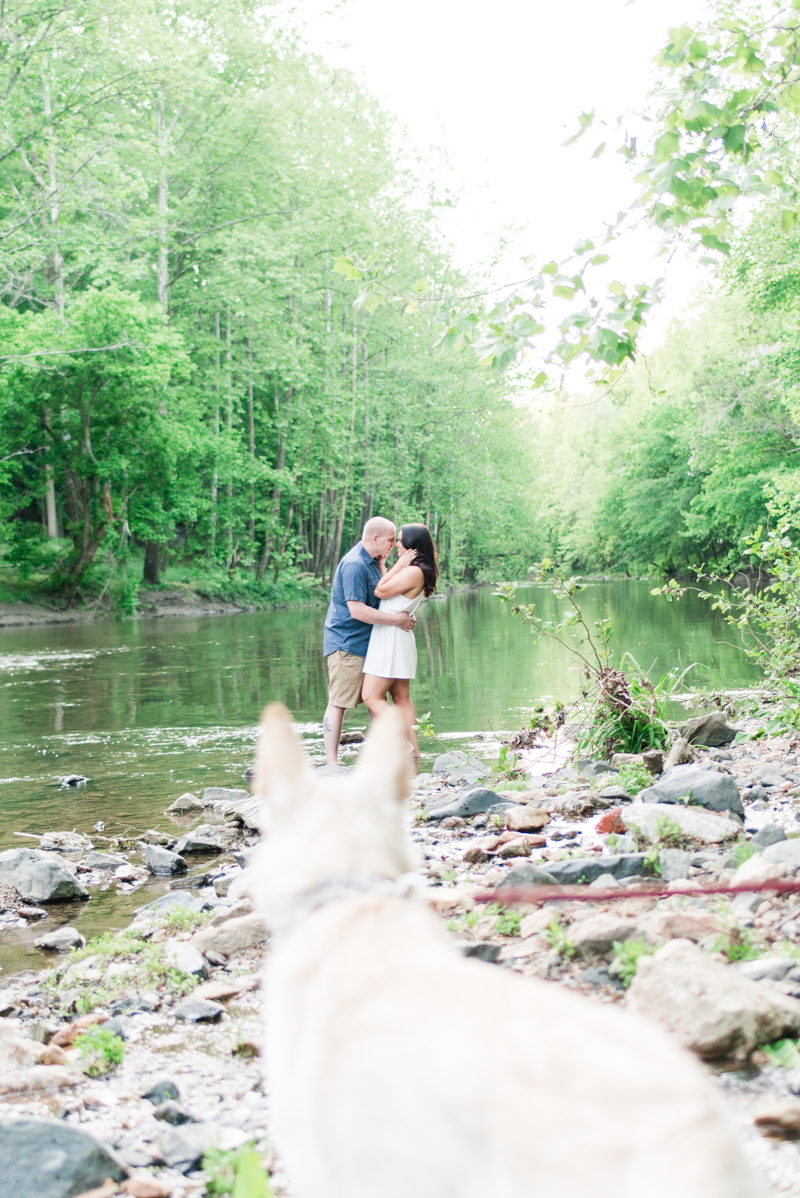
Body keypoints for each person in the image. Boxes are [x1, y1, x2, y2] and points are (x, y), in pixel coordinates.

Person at [322, 516, 417, 764]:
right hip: (347, 643)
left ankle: (386, 755)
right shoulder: (354, 565)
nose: (394, 544)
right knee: (338, 702)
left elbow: (384, 597)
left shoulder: (374, 562)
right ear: (375, 538)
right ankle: (331, 763)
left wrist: (402, 616)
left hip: (371, 643)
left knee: (375, 701)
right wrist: (396, 620)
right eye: (390, 539)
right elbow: (357, 611)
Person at [362, 523, 438, 769]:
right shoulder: (416, 570)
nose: (396, 544)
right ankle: (414, 753)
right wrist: (387, 566)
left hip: (390, 637)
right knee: (401, 698)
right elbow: (390, 586)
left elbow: (380, 591)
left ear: (413, 547)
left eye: (401, 540)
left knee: (371, 696)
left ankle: (404, 744)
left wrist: (397, 564)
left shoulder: (413, 571)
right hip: (397, 634)